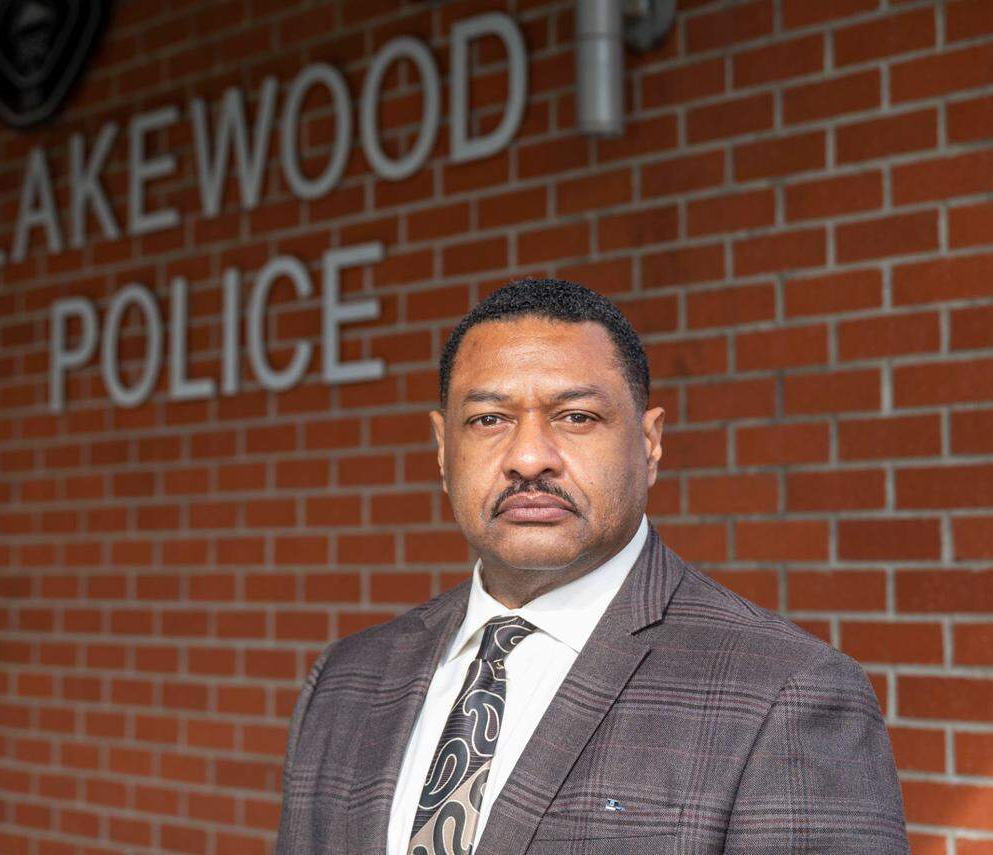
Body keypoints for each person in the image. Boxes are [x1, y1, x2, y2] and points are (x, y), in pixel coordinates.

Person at [275, 278, 909, 854]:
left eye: (576, 416)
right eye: (488, 418)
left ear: (650, 441)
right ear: (444, 449)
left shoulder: (786, 693)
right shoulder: (346, 680)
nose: (527, 457)